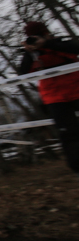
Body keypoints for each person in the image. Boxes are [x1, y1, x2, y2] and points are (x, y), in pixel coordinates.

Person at [19, 21, 79, 175]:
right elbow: (22, 73)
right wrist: (29, 52)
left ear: (45, 34)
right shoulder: (33, 54)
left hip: (76, 89)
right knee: (68, 133)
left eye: (38, 36)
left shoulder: (59, 44)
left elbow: (75, 49)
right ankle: (77, 167)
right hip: (54, 96)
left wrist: (48, 44)